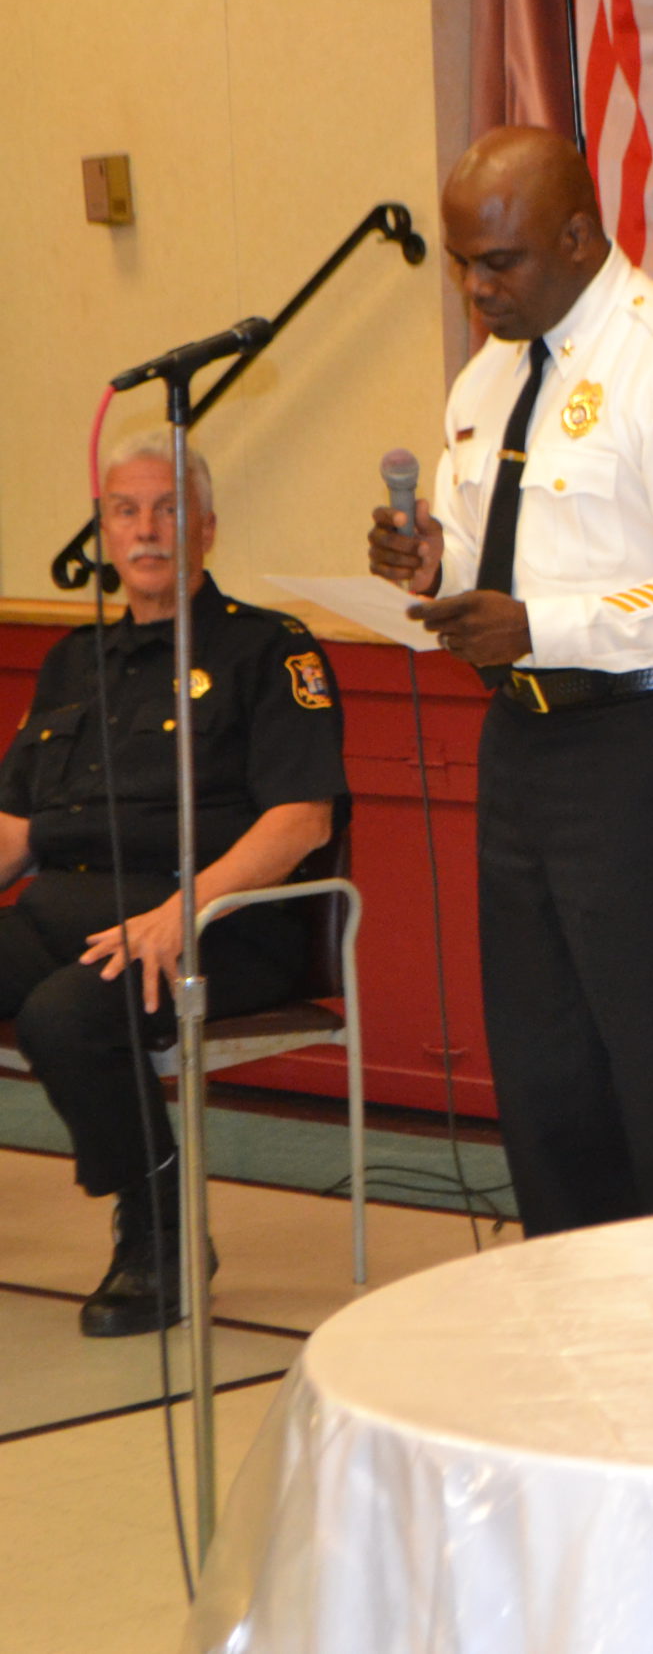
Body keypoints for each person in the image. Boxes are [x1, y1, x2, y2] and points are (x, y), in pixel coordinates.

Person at [366, 126, 653, 1236]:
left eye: (499, 261)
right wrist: (435, 565)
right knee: (544, 1064)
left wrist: (537, 626)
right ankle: (570, 1300)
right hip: (524, 741)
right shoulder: (488, 378)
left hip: (649, 743)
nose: (475, 288)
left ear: (579, 237)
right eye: (462, 261)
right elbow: (493, 555)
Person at [0, 434, 345, 1336]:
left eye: (169, 509)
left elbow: (302, 820)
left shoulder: (268, 649)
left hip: (218, 923)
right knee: (61, 988)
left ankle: (162, 1239)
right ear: (105, 532)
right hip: (62, 914)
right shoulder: (73, 659)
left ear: (207, 529)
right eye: (127, 511)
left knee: (65, 1016)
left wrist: (179, 914)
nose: (148, 528)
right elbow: (16, 826)